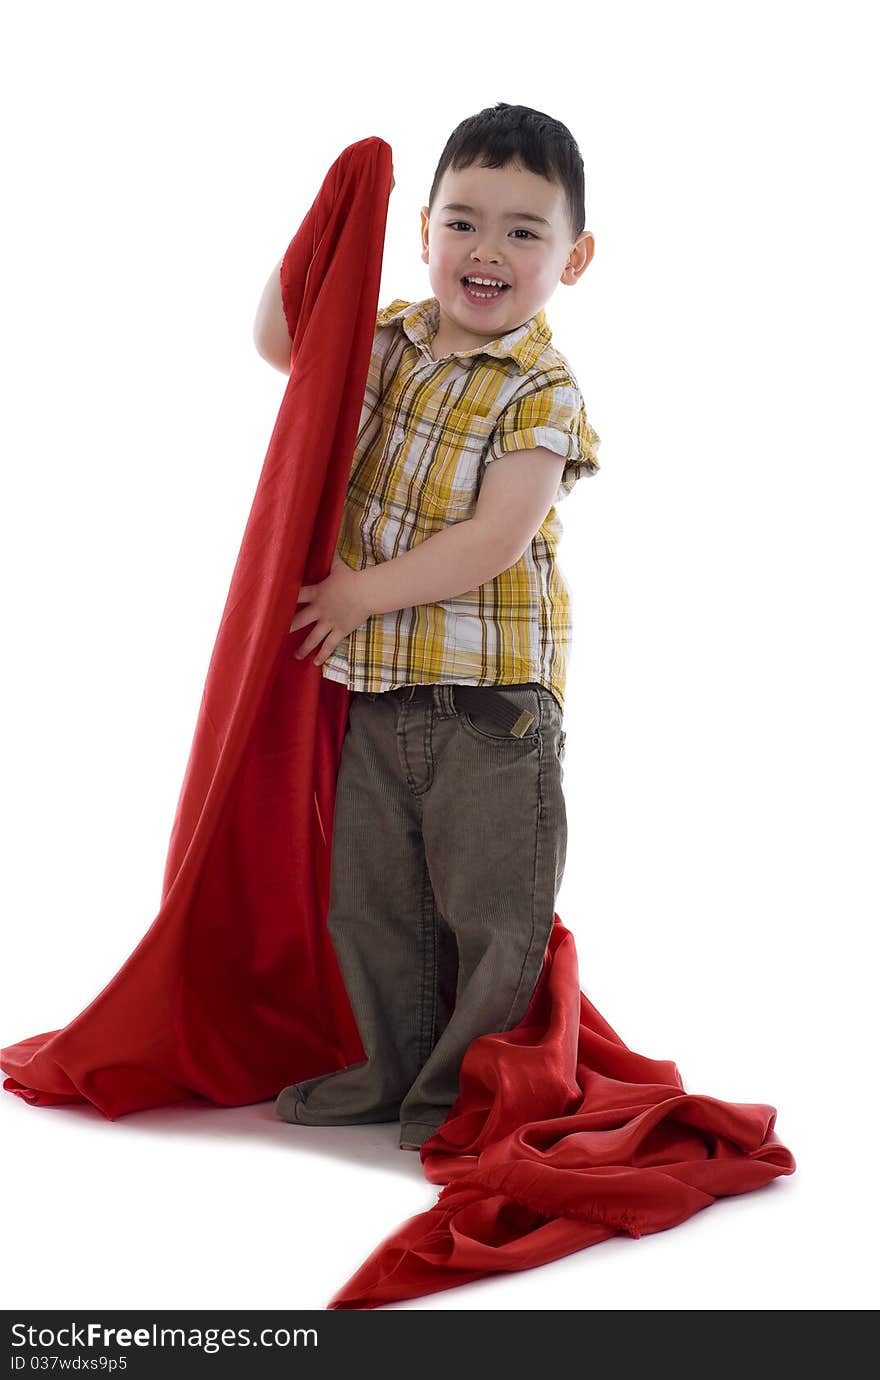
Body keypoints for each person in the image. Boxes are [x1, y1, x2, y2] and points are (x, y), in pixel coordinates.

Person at [254, 103, 601, 1151]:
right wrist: (328, 212)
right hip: (378, 699)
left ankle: (466, 1095)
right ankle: (382, 1070)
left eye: (523, 231)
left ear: (573, 259)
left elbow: (495, 539)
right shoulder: (392, 340)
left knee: (491, 916)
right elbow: (280, 341)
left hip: (493, 715)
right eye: (462, 222)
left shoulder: (540, 389)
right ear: (423, 230)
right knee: (370, 904)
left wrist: (360, 592)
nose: (486, 251)